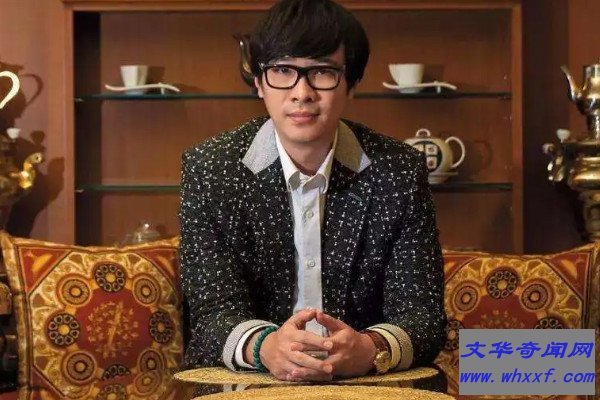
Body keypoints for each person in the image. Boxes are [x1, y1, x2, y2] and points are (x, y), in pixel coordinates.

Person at [179, 0, 446, 382]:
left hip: (367, 383)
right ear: (259, 82)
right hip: (248, 384)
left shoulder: (398, 170)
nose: (301, 92)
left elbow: (423, 317)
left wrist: (369, 349)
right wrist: (266, 347)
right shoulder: (211, 170)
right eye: (282, 71)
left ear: (351, 84)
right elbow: (210, 314)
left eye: (322, 72)